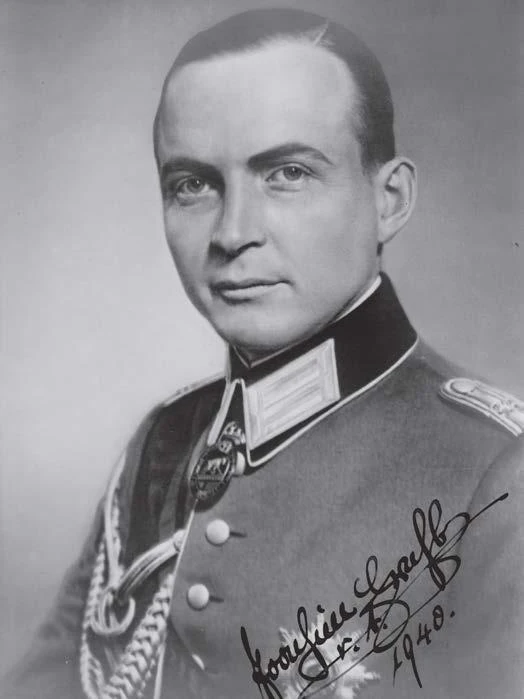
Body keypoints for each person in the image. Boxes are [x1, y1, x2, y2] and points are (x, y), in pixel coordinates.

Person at [4, 8, 523, 699]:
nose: (233, 232)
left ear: (390, 199)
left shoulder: (496, 473)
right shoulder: (163, 446)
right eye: (193, 184)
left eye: (287, 173)